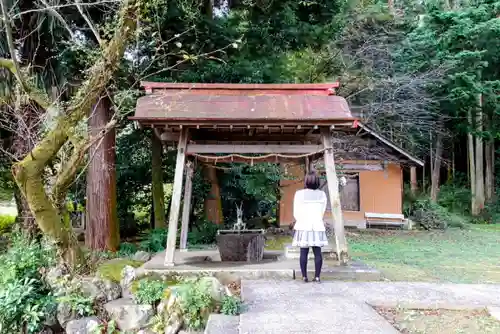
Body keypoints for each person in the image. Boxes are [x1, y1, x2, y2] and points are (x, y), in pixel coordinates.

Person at [292, 169, 328, 283]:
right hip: (317, 225)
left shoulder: (299, 194)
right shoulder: (322, 195)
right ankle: (317, 277)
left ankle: (304, 277)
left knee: (304, 252)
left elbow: (296, 212)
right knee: (317, 252)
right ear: (317, 181)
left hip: (303, 225)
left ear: (306, 181)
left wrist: (301, 220)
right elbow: (322, 212)